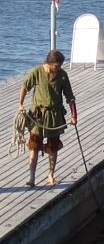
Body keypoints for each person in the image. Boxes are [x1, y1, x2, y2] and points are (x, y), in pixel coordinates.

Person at [19, 50, 77, 187]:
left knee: (53, 147)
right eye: (57, 66)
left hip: (54, 115)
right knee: (33, 147)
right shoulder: (36, 72)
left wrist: (74, 115)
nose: (59, 68)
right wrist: (20, 104)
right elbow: (24, 87)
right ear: (49, 63)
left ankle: (51, 174)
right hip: (37, 115)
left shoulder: (63, 75)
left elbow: (70, 97)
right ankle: (32, 177)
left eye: (60, 65)